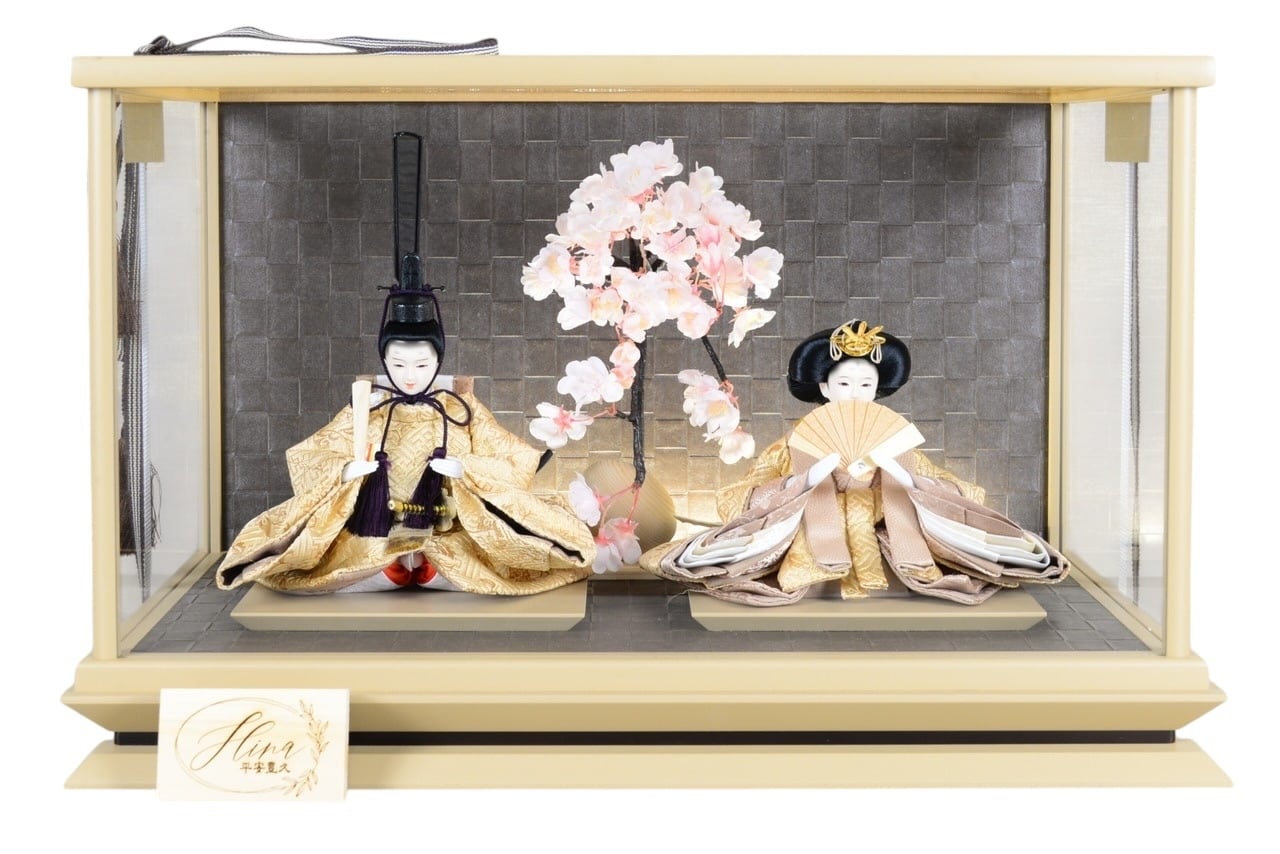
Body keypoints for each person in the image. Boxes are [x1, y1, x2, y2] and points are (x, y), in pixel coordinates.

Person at [642, 320, 1068, 606]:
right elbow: (737, 498)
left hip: (885, 524)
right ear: (825, 387)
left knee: (919, 532)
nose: (855, 393)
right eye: (844, 382)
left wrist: (902, 475)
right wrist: (804, 479)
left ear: (878, 389)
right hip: (810, 524)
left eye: (866, 384)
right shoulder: (795, 441)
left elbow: (959, 492)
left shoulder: (894, 438)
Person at [216, 286, 596, 595]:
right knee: (360, 559)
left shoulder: (460, 408)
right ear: (384, 361)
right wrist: (347, 470)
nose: (410, 376)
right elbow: (311, 455)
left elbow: (513, 460)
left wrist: (465, 468)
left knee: (463, 559)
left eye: (421, 365)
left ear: (438, 361)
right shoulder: (367, 407)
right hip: (375, 528)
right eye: (398, 365)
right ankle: (395, 567)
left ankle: (424, 566)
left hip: (446, 527)